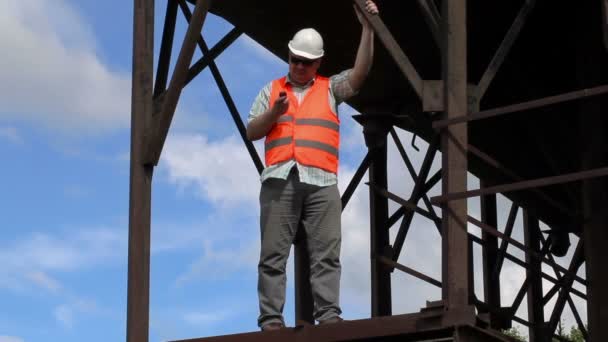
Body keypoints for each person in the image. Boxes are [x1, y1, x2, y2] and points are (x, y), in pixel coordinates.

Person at [246, 0, 379, 332]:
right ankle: (271, 321)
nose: (298, 66)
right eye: (294, 60)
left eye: (305, 62)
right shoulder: (271, 91)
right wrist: (273, 114)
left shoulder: (331, 89)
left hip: (321, 183)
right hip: (280, 181)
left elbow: (360, 75)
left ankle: (329, 318)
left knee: (327, 255)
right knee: (272, 257)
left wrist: (368, 29)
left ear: (318, 62)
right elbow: (252, 131)